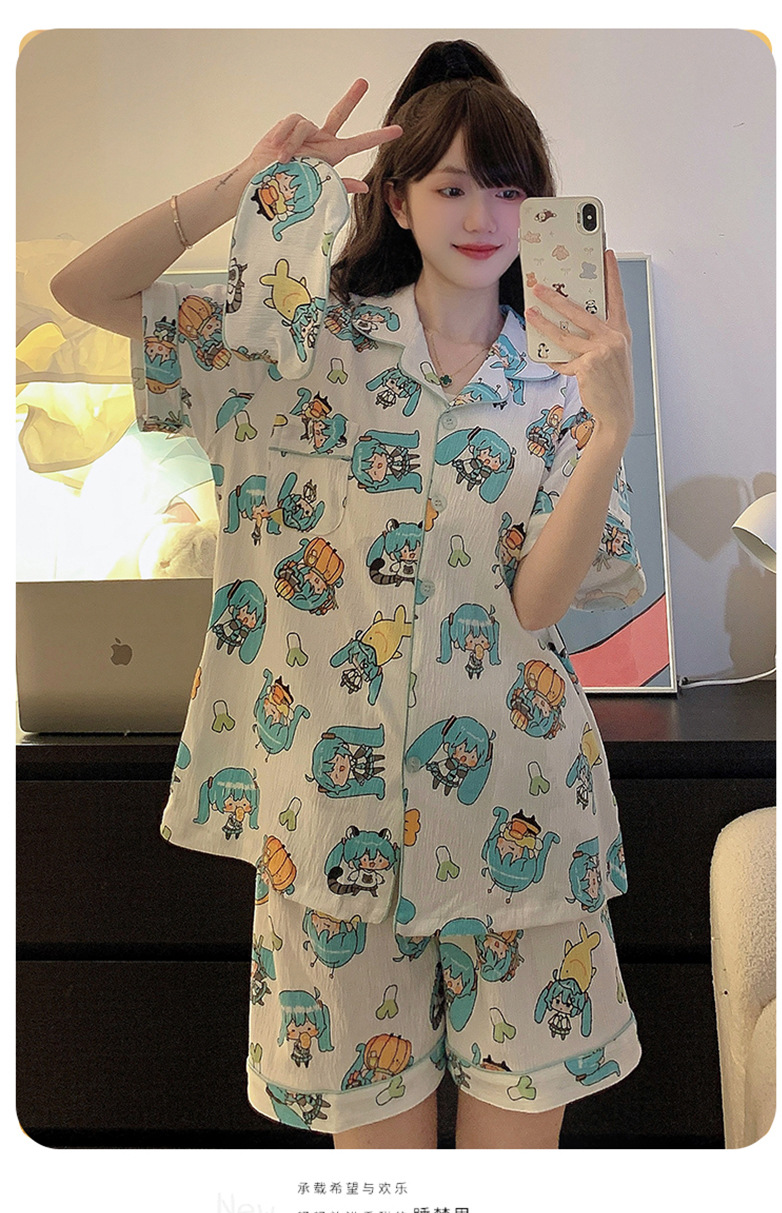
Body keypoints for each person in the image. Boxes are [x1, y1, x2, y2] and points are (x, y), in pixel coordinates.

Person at [51, 39, 645, 1150]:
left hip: (521, 818)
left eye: (507, 189)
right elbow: (85, 291)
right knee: (387, 1205)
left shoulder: (564, 379)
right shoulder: (289, 349)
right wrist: (242, 187)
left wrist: (610, 431)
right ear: (395, 201)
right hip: (331, 838)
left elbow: (535, 608)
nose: (483, 215)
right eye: (452, 187)